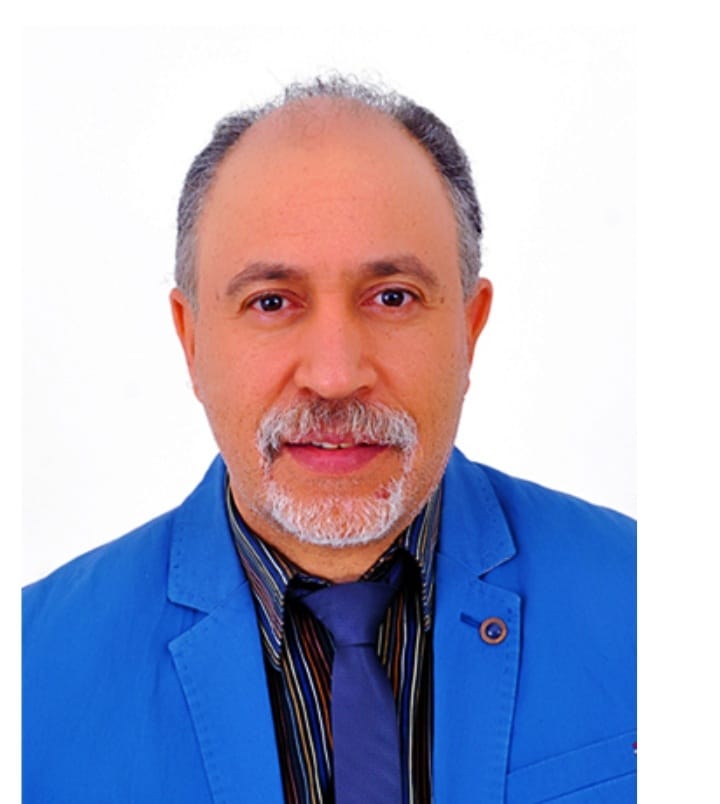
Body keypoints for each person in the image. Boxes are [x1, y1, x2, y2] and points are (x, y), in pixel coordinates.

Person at [22, 76, 636, 803]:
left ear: (469, 329)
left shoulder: (654, 601)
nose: (335, 376)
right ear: (191, 341)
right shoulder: (29, 673)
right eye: (272, 302)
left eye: (393, 297)